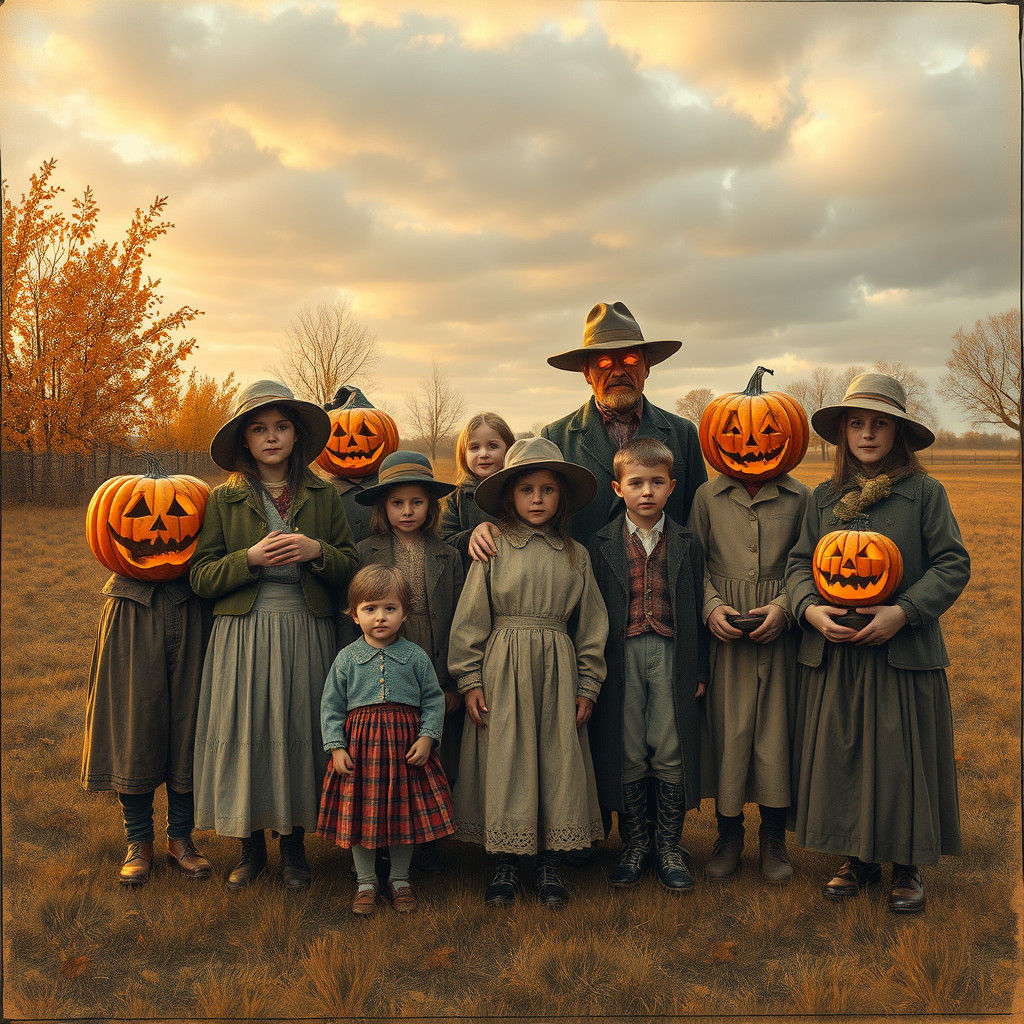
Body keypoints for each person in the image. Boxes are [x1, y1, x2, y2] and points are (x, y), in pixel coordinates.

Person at [786, 373, 970, 913]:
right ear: (843, 433)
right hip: (837, 649)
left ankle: (906, 864)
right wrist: (810, 611)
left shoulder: (924, 494)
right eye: (857, 424)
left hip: (899, 652)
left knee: (898, 756)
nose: (867, 434)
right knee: (846, 755)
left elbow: (952, 563)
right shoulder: (823, 498)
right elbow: (800, 564)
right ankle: (854, 859)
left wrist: (904, 612)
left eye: (880, 425)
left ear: (899, 434)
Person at [190, 380, 357, 891]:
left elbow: (350, 564)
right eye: (259, 429)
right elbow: (201, 575)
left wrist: (317, 552)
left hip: (304, 628)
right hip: (243, 631)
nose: (271, 438)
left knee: (298, 731)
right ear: (244, 439)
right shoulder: (225, 500)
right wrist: (250, 560)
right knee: (249, 733)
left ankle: (294, 848)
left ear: (296, 435)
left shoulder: (323, 494)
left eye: (281, 427)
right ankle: (250, 848)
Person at [448, 436, 609, 909]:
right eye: (526, 490)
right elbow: (470, 618)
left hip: (557, 670)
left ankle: (548, 862)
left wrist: (588, 682)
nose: (537, 499)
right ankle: (503, 860)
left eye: (547, 490)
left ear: (561, 497)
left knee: (555, 760)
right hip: (503, 668)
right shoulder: (493, 548)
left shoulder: (575, 555)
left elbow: (593, 624)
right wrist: (470, 678)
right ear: (509, 497)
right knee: (506, 759)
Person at [466, 302, 706, 562]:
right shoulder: (555, 437)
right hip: (585, 585)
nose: (617, 371)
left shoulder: (683, 434)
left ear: (647, 366)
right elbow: (532, 517)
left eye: (630, 360)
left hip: (663, 591)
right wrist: (490, 528)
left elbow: (700, 522)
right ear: (587, 373)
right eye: (603, 362)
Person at [688, 430, 811, 885]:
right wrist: (710, 606)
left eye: (768, 433)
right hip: (726, 635)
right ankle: (729, 835)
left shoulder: (802, 497)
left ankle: (774, 839)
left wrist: (783, 608)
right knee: (730, 730)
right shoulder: (707, 496)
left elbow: (811, 564)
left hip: (780, 633)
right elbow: (692, 560)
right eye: (738, 433)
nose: (752, 444)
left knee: (776, 732)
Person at [588, 437, 709, 893]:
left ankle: (669, 847)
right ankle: (635, 844)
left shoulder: (686, 543)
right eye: (635, 482)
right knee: (630, 745)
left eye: (657, 482)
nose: (646, 491)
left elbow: (697, 607)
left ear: (672, 487)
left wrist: (698, 670)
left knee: (669, 743)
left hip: (672, 655)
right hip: (622, 657)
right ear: (617, 488)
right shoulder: (599, 544)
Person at [317, 564, 456, 915]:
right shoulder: (347, 658)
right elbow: (331, 705)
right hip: (361, 752)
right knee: (361, 813)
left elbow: (433, 699)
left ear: (404, 613)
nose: (380, 617)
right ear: (354, 615)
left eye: (390, 609)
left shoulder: (415, 657)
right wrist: (336, 747)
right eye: (370, 609)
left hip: (403, 751)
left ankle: (400, 879)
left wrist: (427, 738)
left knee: (400, 815)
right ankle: (366, 882)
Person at [354, 450, 463, 867]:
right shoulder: (366, 551)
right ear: (384, 506)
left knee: (430, 753)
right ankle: (382, 842)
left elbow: (457, 617)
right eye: (397, 502)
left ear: (430, 506)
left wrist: (452, 682)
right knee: (389, 756)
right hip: (386, 663)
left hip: (431, 663)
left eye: (417, 502)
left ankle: (426, 837)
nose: (407, 511)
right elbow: (358, 612)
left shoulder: (447, 555)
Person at [81, 572, 212, 887]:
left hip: (191, 602)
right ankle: (138, 841)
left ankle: (180, 837)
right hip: (132, 606)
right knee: (133, 727)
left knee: (190, 726)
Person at [439, 412, 514, 570]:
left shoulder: (518, 492)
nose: (484, 454)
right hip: (472, 581)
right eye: (474, 448)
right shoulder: (456, 497)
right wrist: (471, 536)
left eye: (493, 446)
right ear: (463, 454)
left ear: (509, 449)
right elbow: (443, 540)